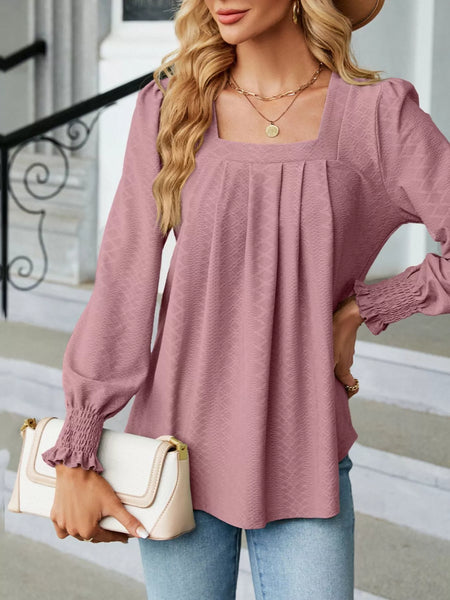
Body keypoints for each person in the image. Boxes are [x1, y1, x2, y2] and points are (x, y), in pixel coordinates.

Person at [41, 0, 450, 598]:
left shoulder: (376, 116)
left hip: (303, 453)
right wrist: (80, 443)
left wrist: (367, 308)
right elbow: (123, 278)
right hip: (175, 452)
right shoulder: (171, 107)